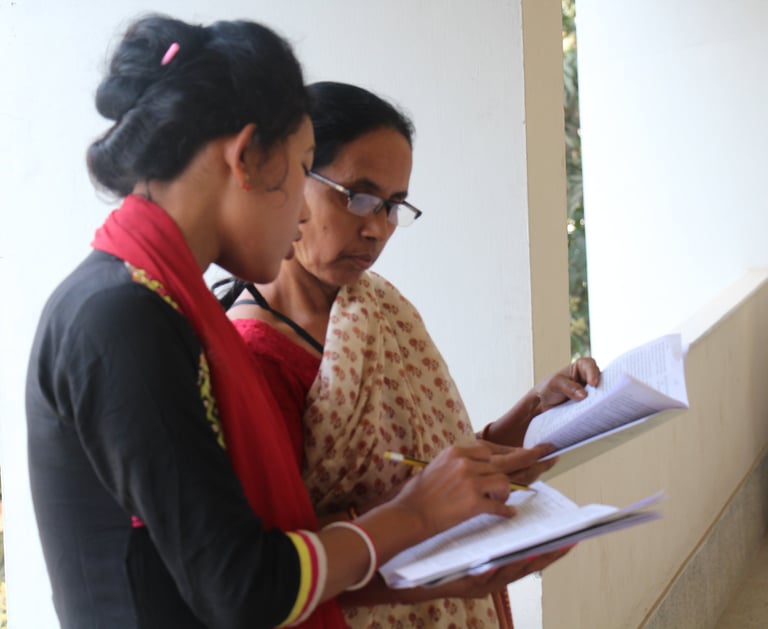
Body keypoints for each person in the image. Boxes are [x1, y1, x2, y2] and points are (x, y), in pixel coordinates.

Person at [24, 18, 559, 629]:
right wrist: (411, 518)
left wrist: (428, 565)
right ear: (248, 158)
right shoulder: (119, 319)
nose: (303, 215)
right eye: (306, 167)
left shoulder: (157, 302)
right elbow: (242, 588)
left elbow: (239, 564)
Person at [221, 81, 600, 628]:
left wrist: (533, 414)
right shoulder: (256, 356)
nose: (376, 229)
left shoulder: (376, 306)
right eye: (358, 196)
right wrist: (422, 517)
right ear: (293, 179)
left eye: (394, 207)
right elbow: (282, 559)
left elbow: (438, 466)